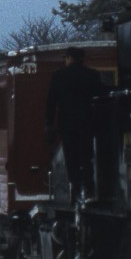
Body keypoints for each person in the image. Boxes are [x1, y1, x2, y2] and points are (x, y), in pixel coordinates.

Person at [46, 46, 106, 200]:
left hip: (67, 122)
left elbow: (51, 102)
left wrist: (49, 123)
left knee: (70, 156)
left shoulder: (59, 76)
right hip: (87, 121)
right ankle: (89, 186)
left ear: (70, 58)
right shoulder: (92, 75)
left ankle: (75, 187)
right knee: (86, 155)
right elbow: (100, 99)